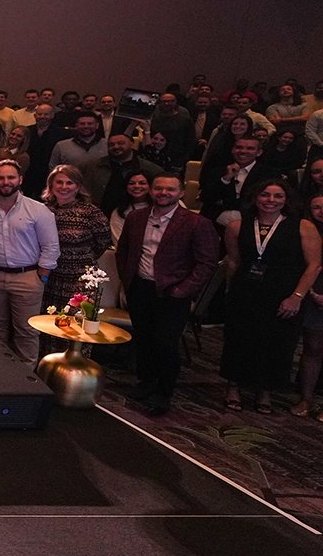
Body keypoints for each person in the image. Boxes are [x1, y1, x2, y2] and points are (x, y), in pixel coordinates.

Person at [115, 172, 220, 416]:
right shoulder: (136, 217)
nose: (163, 193)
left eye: (170, 189)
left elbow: (207, 263)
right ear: (151, 191)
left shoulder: (196, 223)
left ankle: (164, 391)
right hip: (141, 288)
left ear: (181, 192)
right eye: (159, 188)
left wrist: (184, 289)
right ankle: (146, 381)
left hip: (173, 292)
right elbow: (123, 251)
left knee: (165, 343)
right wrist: (128, 280)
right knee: (144, 339)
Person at [220, 178, 322, 413]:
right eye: (265, 195)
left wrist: (297, 296)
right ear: (255, 197)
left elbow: (314, 266)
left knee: (276, 343)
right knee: (239, 340)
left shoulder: (303, 226)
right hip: (245, 292)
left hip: (284, 295)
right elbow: (234, 261)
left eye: (278, 196)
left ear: (286, 200)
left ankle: (264, 391)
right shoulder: (237, 226)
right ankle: (233, 387)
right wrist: (231, 290)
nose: (271, 200)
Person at [0, 160, 59, 360]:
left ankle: (26, 375)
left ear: (20, 179)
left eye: (10, 177)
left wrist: (42, 277)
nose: (5, 182)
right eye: (0, 178)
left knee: (26, 330)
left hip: (27, 277)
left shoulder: (38, 210)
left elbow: (51, 246)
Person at [41, 165, 112, 310]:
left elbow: (103, 241)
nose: (64, 187)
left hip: (81, 278)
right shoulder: (43, 210)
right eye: (59, 182)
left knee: (77, 320)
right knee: (49, 319)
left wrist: (81, 257)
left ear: (78, 187)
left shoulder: (91, 212)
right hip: (51, 277)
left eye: (69, 183)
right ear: (51, 185)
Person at [292, 193, 323, 420]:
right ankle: (306, 399)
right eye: (316, 207)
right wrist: (310, 292)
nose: (322, 212)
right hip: (312, 295)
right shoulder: (303, 232)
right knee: (313, 348)